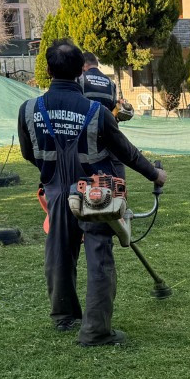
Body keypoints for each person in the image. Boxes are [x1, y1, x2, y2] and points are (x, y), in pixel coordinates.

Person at [18, 40, 167, 347]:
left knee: (58, 252)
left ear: (47, 70)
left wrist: (53, 176)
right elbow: (125, 152)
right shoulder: (97, 112)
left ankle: (64, 316)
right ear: (81, 74)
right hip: (94, 194)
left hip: (57, 193)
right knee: (98, 255)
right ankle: (96, 331)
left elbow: (27, 152)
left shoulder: (29, 109)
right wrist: (155, 174)